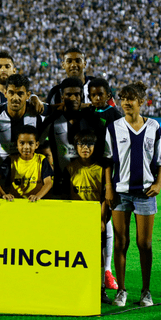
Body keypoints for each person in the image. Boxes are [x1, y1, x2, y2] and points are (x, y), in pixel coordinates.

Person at [105, 81, 161, 307]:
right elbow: (107, 161)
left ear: (141, 102)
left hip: (145, 193)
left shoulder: (154, 126)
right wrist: (109, 188)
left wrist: (158, 184)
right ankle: (121, 290)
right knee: (121, 243)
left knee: (145, 244)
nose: (126, 103)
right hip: (120, 193)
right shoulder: (113, 127)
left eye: (131, 99)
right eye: (123, 99)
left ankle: (145, 291)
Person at [64, 129, 111, 303]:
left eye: (90, 144)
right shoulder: (69, 168)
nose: (85, 148)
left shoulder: (100, 168)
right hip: (76, 218)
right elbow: (66, 196)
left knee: (97, 254)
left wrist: (101, 219)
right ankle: (75, 286)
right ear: (75, 147)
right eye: (81, 144)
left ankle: (100, 289)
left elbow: (104, 197)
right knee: (74, 254)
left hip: (95, 219)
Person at [87, 77, 121, 291]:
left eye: (101, 94)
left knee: (104, 219)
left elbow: (114, 152)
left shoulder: (115, 116)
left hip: (107, 175)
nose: (97, 98)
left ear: (109, 96)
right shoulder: (86, 113)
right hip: (84, 172)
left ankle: (106, 271)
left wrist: (110, 182)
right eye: (93, 95)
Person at [43, 77, 101, 196]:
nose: (73, 98)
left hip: (87, 183)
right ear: (62, 96)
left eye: (77, 94)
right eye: (69, 95)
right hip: (60, 182)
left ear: (82, 96)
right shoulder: (52, 121)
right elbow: (37, 142)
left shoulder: (92, 120)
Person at [0, 74, 49, 171]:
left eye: (20, 94)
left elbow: (58, 109)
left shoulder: (37, 111)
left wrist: (35, 98)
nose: (15, 98)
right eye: (11, 93)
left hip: (30, 173)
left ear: (28, 95)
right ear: (5, 93)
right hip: (1, 174)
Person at [0, 125, 53, 202]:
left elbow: (48, 183)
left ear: (36, 145)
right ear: (16, 144)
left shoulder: (42, 160)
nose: (26, 147)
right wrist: (3, 194)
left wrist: (37, 197)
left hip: (35, 204)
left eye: (30, 143)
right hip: (15, 203)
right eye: (22, 143)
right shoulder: (11, 160)